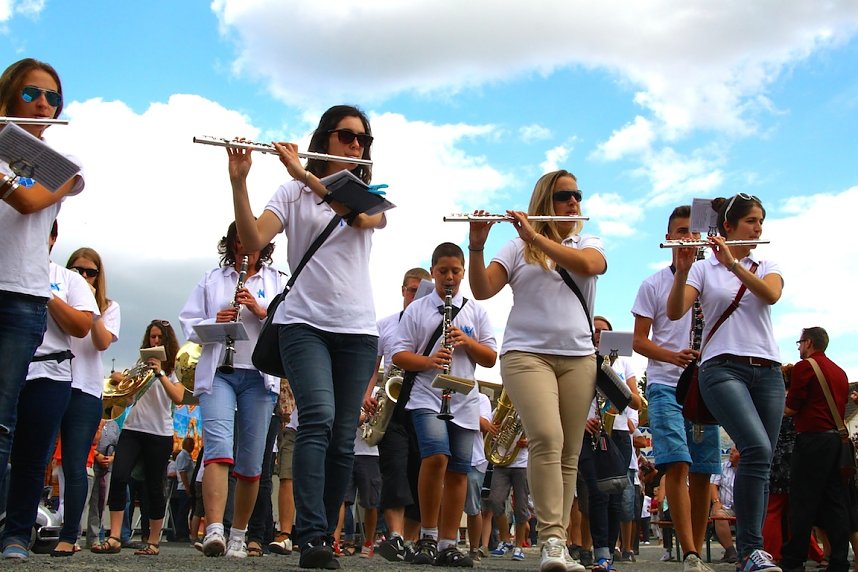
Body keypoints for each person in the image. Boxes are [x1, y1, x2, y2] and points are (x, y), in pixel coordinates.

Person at [226, 104, 385, 570]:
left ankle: (326, 532)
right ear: (326, 138)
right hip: (302, 324)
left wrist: (302, 171)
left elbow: (356, 217)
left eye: (363, 139)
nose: (357, 145)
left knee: (341, 436)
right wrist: (239, 181)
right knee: (317, 416)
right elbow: (254, 239)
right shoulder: (292, 192)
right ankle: (312, 535)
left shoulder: (371, 196)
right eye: (347, 136)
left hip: (357, 330)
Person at [467, 170, 606, 572]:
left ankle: (558, 544)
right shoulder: (515, 246)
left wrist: (537, 238)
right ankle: (550, 540)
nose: (575, 203)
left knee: (569, 453)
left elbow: (590, 266)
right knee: (547, 437)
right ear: (546, 201)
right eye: (565, 196)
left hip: (579, 356)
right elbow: (482, 289)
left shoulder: (586, 241)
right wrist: (476, 248)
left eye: (578, 195)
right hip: (526, 354)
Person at [666, 193, 784, 572]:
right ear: (728, 227)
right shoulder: (704, 270)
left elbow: (771, 294)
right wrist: (683, 269)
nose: (758, 228)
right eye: (751, 221)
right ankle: (751, 550)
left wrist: (734, 263)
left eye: (761, 221)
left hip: (767, 368)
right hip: (721, 367)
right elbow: (674, 311)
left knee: (761, 459)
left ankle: (753, 550)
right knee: (755, 447)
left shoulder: (767, 262)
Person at [0, 58, 84, 501]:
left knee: (0, 419)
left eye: (52, 98)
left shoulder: (65, 161)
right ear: (11, 95)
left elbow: (30, 203)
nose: (43, 104)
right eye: (32, 94)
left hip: (21, 294)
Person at [178, 221, 282, 558]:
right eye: (238, 240)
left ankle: (239, 534)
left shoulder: (277, 279)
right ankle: (214, 530)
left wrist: (260, 311)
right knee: (218, 451)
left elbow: (288, 324)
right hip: (219, 371)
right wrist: (215, 322)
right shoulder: (211, 278)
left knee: (252, 462)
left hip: (259, 375)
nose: (244, 247)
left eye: (251, 241)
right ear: (232, 243)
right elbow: (188, 323)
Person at [392, 242, 497, 568]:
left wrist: (467, 342)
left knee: (459, 471)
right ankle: (427, 534)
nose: (449, 277)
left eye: (455, 271)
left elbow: (491, 357)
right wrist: (428, 361)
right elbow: (399, 354)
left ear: (463, 272)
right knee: (435, 456)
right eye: (442, 272)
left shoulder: (475, 311)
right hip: (426, 394)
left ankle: (449, 543)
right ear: (433, 271)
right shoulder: (418, 309)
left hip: (464, 399)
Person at [631, 205, 722, 572]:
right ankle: (690, 553)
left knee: (703, 470)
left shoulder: (715, 277)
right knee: (679, 463)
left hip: (706, 385)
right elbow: (639, 341)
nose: (687, 238)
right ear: (668, 238)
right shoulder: (653, 283)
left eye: (692, 231)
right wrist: (672, 356)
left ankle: (695, 549)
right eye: (680, 231)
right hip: (666, 383)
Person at [0, 222, 97, 561]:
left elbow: (83, 326)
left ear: (52, 238)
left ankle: (16, 534)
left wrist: (46, 292)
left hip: (49, 371)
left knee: (32, 458)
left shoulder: (68, 278)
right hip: (8, 367)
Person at [91, 320, 185, 556]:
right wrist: (119, 381)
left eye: (159, 338)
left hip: (159, 433)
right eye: (152, 337)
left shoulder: (175, 369)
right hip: (133, 429)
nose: (155, 341)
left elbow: (178, 398)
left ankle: (153, 541)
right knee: (120, 477)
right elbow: (128, 398)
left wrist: (160, 373)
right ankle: (114, 536)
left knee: (154, 486)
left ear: (167, 341)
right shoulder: (139, 366)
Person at [51, 247, 121, 555]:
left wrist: (90, 305)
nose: (82, 276)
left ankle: (70, 535)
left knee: (76, 463)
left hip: (86, 389)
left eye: (90, 272)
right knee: (38, 458)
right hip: (52, 379)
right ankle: (23, 527)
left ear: (98, 276)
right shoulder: (56, 299)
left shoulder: (109, 307)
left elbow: (102, 342)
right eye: (77, 270)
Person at [368, 267, 431, 562]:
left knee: (420, 469)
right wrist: (365, 397)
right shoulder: (385, 324)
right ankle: (394, 537)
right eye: (411, 290)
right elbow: (373, 365)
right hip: (392, 403)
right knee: (393, 468)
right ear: (402, 290)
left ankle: (411, 539)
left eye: (421, 291)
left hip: (424, 401)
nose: (415, 296)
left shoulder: (433, 324)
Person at [779, 327, 850, 572]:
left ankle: (794, 560)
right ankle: (839, 559)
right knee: (834, 500)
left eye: (800, 343)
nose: (799, 348)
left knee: (801, 500)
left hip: (811, 439)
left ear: (808, 342)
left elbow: (791, 408)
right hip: (835, 441)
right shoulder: (840, 372)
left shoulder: (805, 367)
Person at [86, 419, 119, 548]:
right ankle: (74, 536)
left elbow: (118, 445)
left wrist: (112, 458)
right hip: (91, 463)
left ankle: (94, 537)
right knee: (83, 501)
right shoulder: (93, 418)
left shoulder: (114, 425)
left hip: (107, 469)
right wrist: (97, 455)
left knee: (99, 504)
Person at [710, 445, 739, 564]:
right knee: (718, 515)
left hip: (743, 506)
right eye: (730, 451)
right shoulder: (722, 467)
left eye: (734, 451)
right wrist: (716, 502)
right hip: (725, 506)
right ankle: (730, 550)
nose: (730, 453)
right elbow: (712, 485)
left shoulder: (748, 467)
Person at [171, 437, 195, 543]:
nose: (193, 447)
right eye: (191, 444)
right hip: (183, 488)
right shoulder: (183, 456)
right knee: (182, 511)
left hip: (185, 487)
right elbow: (182, 472)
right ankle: (180, 533)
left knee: (184, 511)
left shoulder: (186, 455)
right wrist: (187, 487)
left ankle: (183, 531)